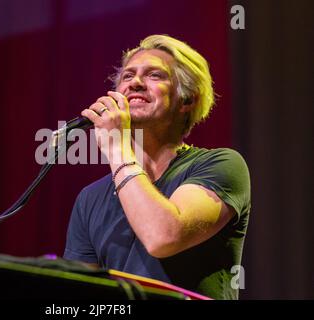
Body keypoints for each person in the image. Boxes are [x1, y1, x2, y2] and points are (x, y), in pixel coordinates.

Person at [63, 34, 250, 300]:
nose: (135, 83)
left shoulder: (221, 164)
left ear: (188, 100)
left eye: (154, 75)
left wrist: (116, 148)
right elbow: (79, 294)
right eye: (127, 76)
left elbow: (163, 237)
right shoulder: (90, 198)